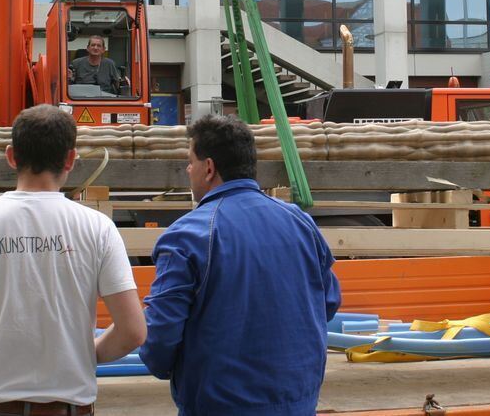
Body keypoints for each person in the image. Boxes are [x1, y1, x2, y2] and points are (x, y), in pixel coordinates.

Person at [0, 104, 146, 416]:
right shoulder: (98, 228)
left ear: (11, 156)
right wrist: (86, 353)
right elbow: (133, 331)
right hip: (68, 407)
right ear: (70, 159)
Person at [139, 114, 341, 415]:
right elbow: (328, 301)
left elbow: (159, 341)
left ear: (209, 168)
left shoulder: (188, 236)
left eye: (190, 161)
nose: (188, 169)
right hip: (298, 402)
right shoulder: (300, 222)